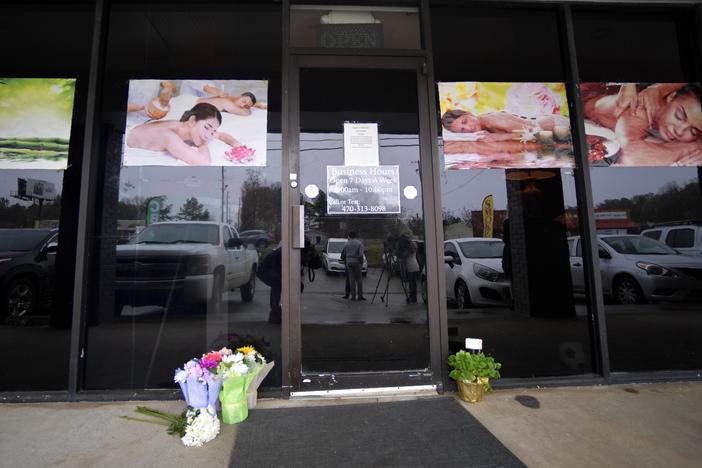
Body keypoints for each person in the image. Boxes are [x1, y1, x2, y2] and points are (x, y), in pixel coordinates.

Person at [582, 83, 702, 166]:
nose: (680, 131)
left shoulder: (661, 121)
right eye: (679, 116)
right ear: (671, 97)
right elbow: (632, 156)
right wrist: (691, 148)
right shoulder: (642, 107)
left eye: (693, 131)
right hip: (577, 103)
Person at [126, 102, 243, 165]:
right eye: (207, 127)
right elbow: (203, 163)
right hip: (126, 135)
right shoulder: (169, 135)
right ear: (192, 120)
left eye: (212, 131)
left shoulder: (185, 126)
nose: (209, 135)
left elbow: (221, 135)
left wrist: (237, 145)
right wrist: (203, 145)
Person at [441, 109, 570, 142]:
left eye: (465, 121)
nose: (469, 128)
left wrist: (500, 138)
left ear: (468, 113)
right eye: (463, 131)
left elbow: (532, 131)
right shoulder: (485, 124)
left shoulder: (491, 120)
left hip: (556, 125)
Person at [197, 85, 267, 116]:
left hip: (196, 101)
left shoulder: (232, 98)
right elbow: (247, 113)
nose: (242, 106)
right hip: (192, 104)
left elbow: (240, 101)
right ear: (240, 95)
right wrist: (249, 107)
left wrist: (257, 104)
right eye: (243, 102)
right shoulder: (227, 103)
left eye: (246, 106)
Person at [341, 231, 365, 301]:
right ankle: (360, 295)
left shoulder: (346, 244)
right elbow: (361, 255)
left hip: (349, 262)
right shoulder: (359, 243)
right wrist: (361, 263)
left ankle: (353, 296)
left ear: (349, 236)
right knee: (359, 279)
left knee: (351, 279)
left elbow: (344, 254)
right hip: (357, 262)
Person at [398, 233, 420, 303]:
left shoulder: (409, 249)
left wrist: (400, 250)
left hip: (411, 267)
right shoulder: (413, 246)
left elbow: (403, 255)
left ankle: (412, 297)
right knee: (414, 283)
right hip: (415, 265)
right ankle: (414, 298)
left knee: (411, 283)